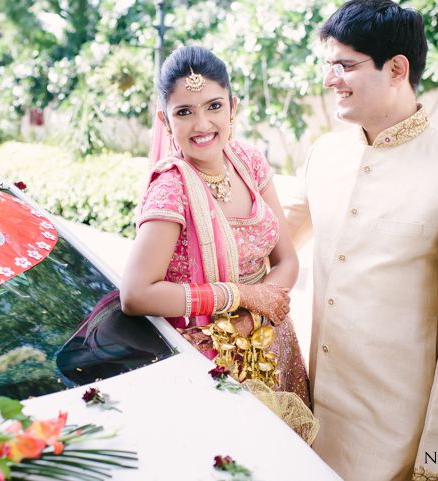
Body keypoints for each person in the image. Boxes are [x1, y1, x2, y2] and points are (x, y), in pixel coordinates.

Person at [283, 0, 438, 481]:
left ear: (397, 68)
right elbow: (268, 244)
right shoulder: (326, 155)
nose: (329, 80)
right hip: (309, 421)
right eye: (327, 65)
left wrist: (437, 463)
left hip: (391, 442)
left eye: (344, 65)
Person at [119, 46, 313, 424]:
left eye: (214, 106)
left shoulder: (249, 162)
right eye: (184, 112)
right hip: (208, 355)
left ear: (232, 107)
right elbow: (136, 294)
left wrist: (257, 316)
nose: (202, 124)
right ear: (165, 119)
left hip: (271, 340)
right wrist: (242, 297)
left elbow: (287, 259)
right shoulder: (171, 189)